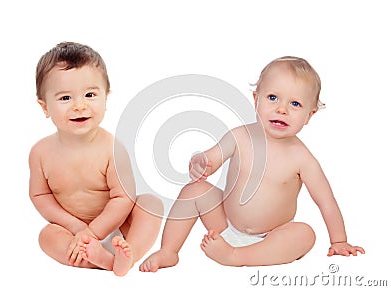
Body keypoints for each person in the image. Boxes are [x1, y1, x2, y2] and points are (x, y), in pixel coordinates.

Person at [140, 56, 364, 271]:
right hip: (225, 224)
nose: (282, 109)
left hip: (271, 238)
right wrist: (200, 164)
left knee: (305, 234)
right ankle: (168, 251)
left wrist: (339, 241)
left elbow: (326, 201)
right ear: (256, 99)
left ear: (309, 115)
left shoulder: (302, 158)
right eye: (273, 98)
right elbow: (210, 159)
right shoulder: (239, 136)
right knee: (194, 190)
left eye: (295, 103)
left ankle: (236, 256)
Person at [29, 42, 162, 276]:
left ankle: (130, 253)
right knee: (46, 237)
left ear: (106, 97)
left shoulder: (112, 148)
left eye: (90, 95)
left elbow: (123, 198)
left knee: (151, 205)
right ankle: (101, 261)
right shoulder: (40, 152)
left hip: (120, 227)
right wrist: (76, 227)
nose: (80, 106)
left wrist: (94, 233)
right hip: (72, 231)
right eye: (65, 98)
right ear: (44, 106)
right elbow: (40, 195)